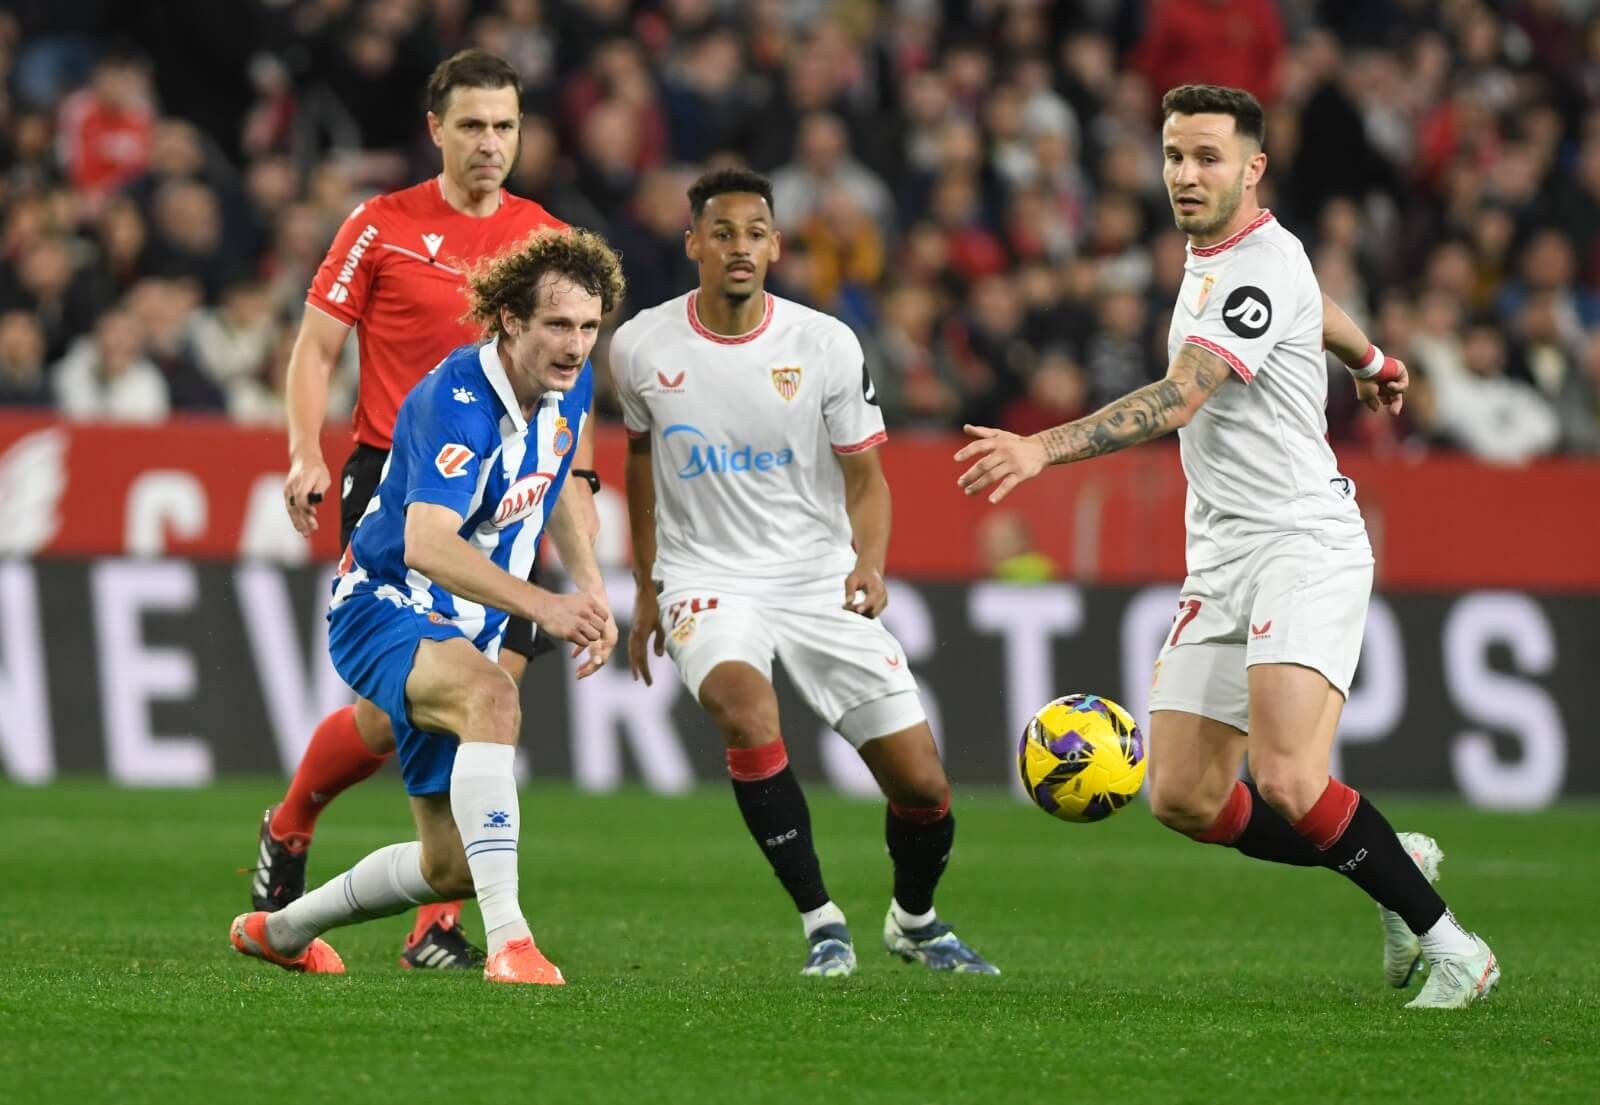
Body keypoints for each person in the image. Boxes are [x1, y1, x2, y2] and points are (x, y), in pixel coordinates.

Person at [955, 84, 1498, 1010]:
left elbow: (1178, 397)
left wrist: (1040, 447)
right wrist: (1374, 363)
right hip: (1222, 557)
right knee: (1184, 795)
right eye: (1173, 155)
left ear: (1253, 168)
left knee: (1288, 776)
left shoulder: (1250, 264)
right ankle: (1392, 861)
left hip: (1301, 541)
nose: (1185, 174)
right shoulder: (1231, 256)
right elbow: (1319, 304)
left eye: (1208, 157)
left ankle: (1456, 948)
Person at [252, 49, 600, 971]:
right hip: (398, 485)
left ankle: (435, 915)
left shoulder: (545, 249)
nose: (492, 143)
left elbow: (565, 434)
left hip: (507, 501)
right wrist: (302, 450)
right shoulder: (383, 225)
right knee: (411, 711)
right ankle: (294, 822)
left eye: (507, 126)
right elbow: (317, 347)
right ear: (436, 129)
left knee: (489, 700)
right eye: (474, 125)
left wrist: (591, 568)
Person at [615, 168, 997, 978]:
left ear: (777, 245)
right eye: (722, 232)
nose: (739, 247)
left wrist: (870, 561)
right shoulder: (641, 345)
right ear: (693, 245)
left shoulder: (825, 343)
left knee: (924, 785)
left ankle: (914, 920)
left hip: (816, 572)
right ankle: (823, 920)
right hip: (705, 574)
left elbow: (867, 476)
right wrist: (648, 586)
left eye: (755, 232)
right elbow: (639, 466)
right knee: (743, 710)